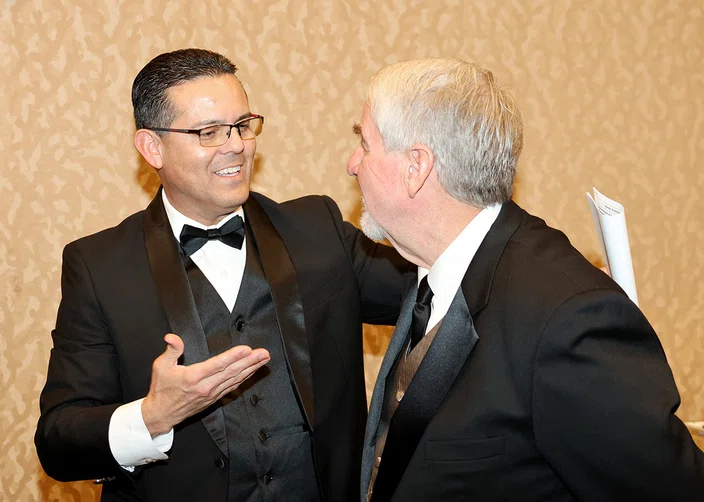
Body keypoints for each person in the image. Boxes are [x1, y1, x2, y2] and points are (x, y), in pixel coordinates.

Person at [35, 48, 410, 502]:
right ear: (152, 147)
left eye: (241, 125)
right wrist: (153, 416)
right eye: (208, 132)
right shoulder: (98, 267)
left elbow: (439, 285)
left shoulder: (320, 228)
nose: (236, 145)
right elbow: (58, 441)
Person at [347, 58, 704, 501]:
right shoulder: (432, 270)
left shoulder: (569, 320)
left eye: (364, 143)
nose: (352, 164)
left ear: (416, 167)